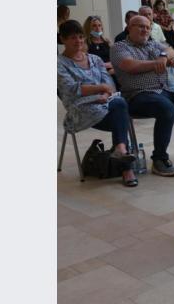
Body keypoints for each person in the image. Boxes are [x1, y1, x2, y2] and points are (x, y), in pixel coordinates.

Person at [110, 14, 174, 176]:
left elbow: (171, 50)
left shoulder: (152, 44)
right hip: (137, 95)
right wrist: (157, 63)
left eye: (147, 27)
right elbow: (130, 66)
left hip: (163, 90)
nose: (145, 30)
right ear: (129, 28)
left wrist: (163, 57)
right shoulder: (119, 47)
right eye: (140, 26)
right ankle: (159, 159)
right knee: (167, 109)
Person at [58, 20, 138, 187]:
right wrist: (99, 91)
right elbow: (71, 89)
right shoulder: (58, 63)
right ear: (62, 39)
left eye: (81, 37)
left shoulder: (95, 59)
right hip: (81, 111)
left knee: (119, 107)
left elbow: (109, 84)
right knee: (120, 110)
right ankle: (125, 165)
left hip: (106, 106)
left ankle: (122, 154)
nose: (78, 41)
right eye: (73, 37)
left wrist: (104, 92)